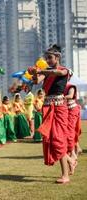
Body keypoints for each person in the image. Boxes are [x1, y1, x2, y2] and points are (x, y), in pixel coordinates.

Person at [28, 44, 71, 183]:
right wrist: (34, 73)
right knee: (52, 140)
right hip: (47, 106)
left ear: (57, 57)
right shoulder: (45, 71)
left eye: (50, 58)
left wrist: (42, 70)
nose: (48, 60)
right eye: (47, 58)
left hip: (59, 107)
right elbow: (35, 81)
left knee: (58, 139)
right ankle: (71, 160)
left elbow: (57, 73)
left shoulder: (64, 70)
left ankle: (65, 175)